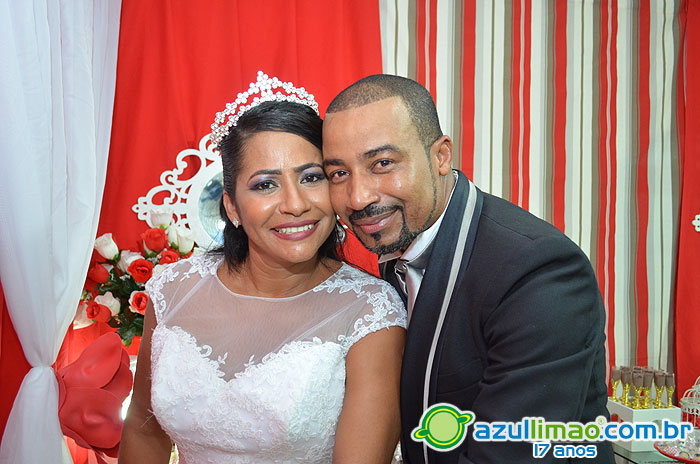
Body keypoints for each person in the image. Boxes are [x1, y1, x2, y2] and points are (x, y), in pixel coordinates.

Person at [321, 74, 614, 463]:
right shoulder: (400, 238)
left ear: (441, 156)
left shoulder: (538, 271)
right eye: (339, 174)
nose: (358, 197)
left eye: (383, 163)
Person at [119, 72, 407, 464]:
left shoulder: (371, 312)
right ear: (232, 207)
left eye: (311, 178)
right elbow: (143, 427)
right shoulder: (174, 288)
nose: (295, 204)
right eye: (265, 185)